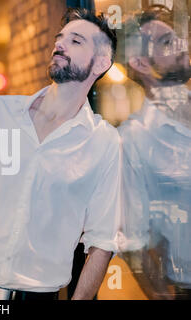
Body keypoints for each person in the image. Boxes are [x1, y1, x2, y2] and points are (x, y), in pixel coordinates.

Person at [0, 8, 120, 300]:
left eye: (76, 41)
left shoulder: (104, 142)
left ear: (101, 63)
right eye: (60, 38)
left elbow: (102, 242)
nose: (60, 44)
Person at [117, 4, 191, 300]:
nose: (181, 45)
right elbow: (133, 244)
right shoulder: (132, 140)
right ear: (141, 64)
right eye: (165, 43)